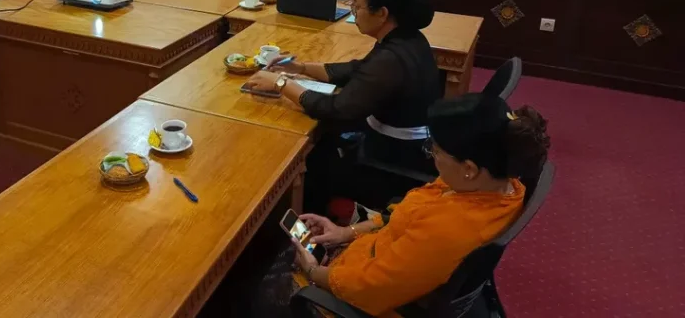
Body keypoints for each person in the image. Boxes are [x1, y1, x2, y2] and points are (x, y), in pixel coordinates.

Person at [232, 95, 550, 318]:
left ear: (469, 167)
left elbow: (367, 290)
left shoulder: (447, 231)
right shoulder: (501, 184)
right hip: (376, 260)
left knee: (260, 288)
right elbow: (404, 217)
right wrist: (346, 233)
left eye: (436, 151)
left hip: (370, 300)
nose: (431, 156)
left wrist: (314, 271)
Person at [244, 0, 441, 212]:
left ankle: (307, 217)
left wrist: (281, 83)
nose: (353, 11)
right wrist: (301, 67)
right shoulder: (405, 37)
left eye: (357, 6)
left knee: (307, 156)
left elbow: (337, 109)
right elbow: (356, 69)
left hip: (392, 161)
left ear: (382, 13)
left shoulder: (391, 58)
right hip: (397, 144)